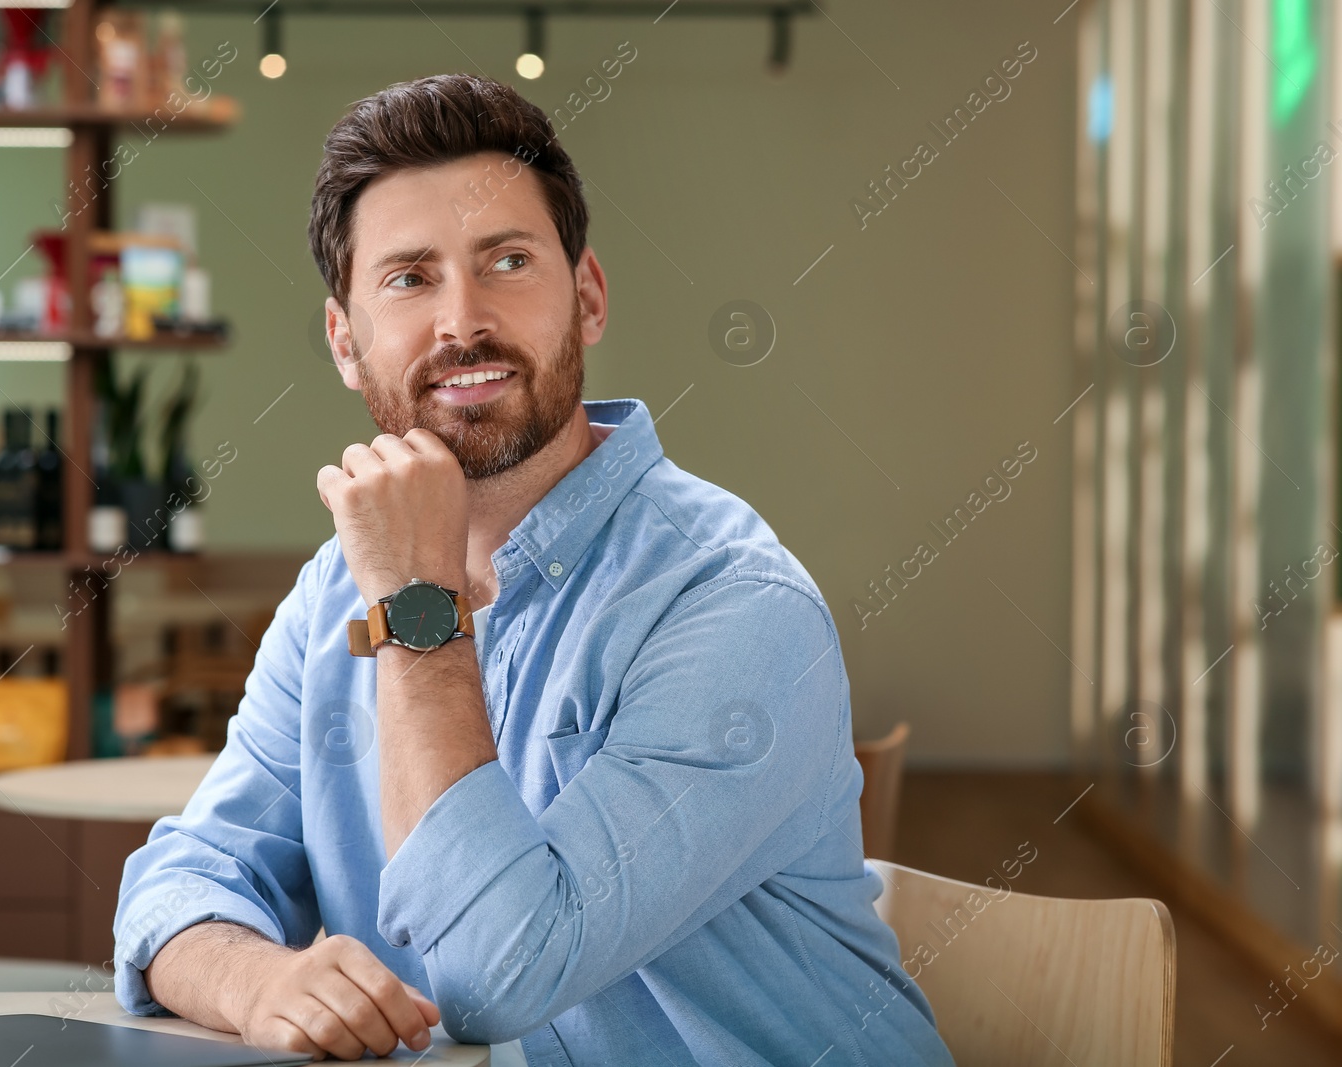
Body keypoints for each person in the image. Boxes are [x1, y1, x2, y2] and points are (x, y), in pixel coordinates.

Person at [113, 72, 954, 1067]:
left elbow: (497, 971)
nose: (461, 321)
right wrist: (257, 980)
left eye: (507, 261)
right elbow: (178, 883)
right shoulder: (333, 591)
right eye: (409, 277)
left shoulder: (732, 605)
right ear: (345, 340)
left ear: (586, 297)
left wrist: (419, 608)